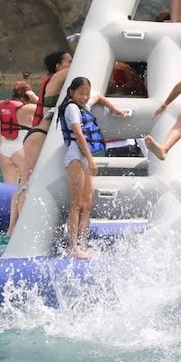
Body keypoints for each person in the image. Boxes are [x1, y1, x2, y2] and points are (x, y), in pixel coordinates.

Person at [59, 76, 127, 257]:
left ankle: (83, 245)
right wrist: (90, 159)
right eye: (80, 93)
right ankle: (73, 247)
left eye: (86, 94)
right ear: (71, 92)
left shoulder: (83, 106)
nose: (84, 97)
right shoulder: (72, 108)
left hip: (85, 158)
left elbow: (99, 97)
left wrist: (115, 109)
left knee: (87, 204)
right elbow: (79, 135)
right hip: (76, 158)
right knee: (76, 204)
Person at [8, 50, 74, 235]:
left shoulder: (57, 80)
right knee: (28, 180)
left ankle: (13, 227)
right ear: (58, 66)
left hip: (39, 135)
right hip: (39, 135)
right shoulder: (57, 77)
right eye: (69, 61)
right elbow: (82, 65)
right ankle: (18, 227)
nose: (72, 63)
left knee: (26, 179)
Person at [0, 80, 37, 184]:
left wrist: (0, 147)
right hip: (20, 148)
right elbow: (50, 109)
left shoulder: (3, 109)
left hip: (3, 149)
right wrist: (35, 98)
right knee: (26, 184)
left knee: (10, 187)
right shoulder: (29, 108)